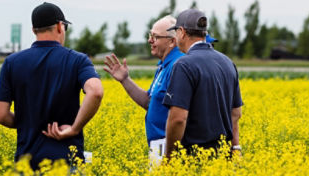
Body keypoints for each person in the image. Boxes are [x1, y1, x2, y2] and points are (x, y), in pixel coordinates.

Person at [0, 2, 103, 170]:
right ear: (60, 26)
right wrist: (74, 128)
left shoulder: (11, 63)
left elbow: (0, 115)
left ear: (33, 30)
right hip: (67, 161)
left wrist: (28, 122)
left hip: (27, 163)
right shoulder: (77, 60)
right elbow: (95, 91)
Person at [163, 9, 243, 158]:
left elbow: (178, 119)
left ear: (182, 32)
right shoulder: (228, 62)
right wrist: (236, 148)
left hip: (194, 157)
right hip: (223, 158)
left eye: (175, 33)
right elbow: (236, 114)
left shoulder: (184, 65)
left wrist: (169, 158)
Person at [103, 16, 184, 160]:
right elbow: (150, 102)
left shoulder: (178, 66)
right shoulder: (163, 65)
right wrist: (125, 80)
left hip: (170, 150)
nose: (150, 40)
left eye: (155, 37)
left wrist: (170, 155)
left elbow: (181, 114)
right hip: (159, 147)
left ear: (172, 41)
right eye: (150, 35)